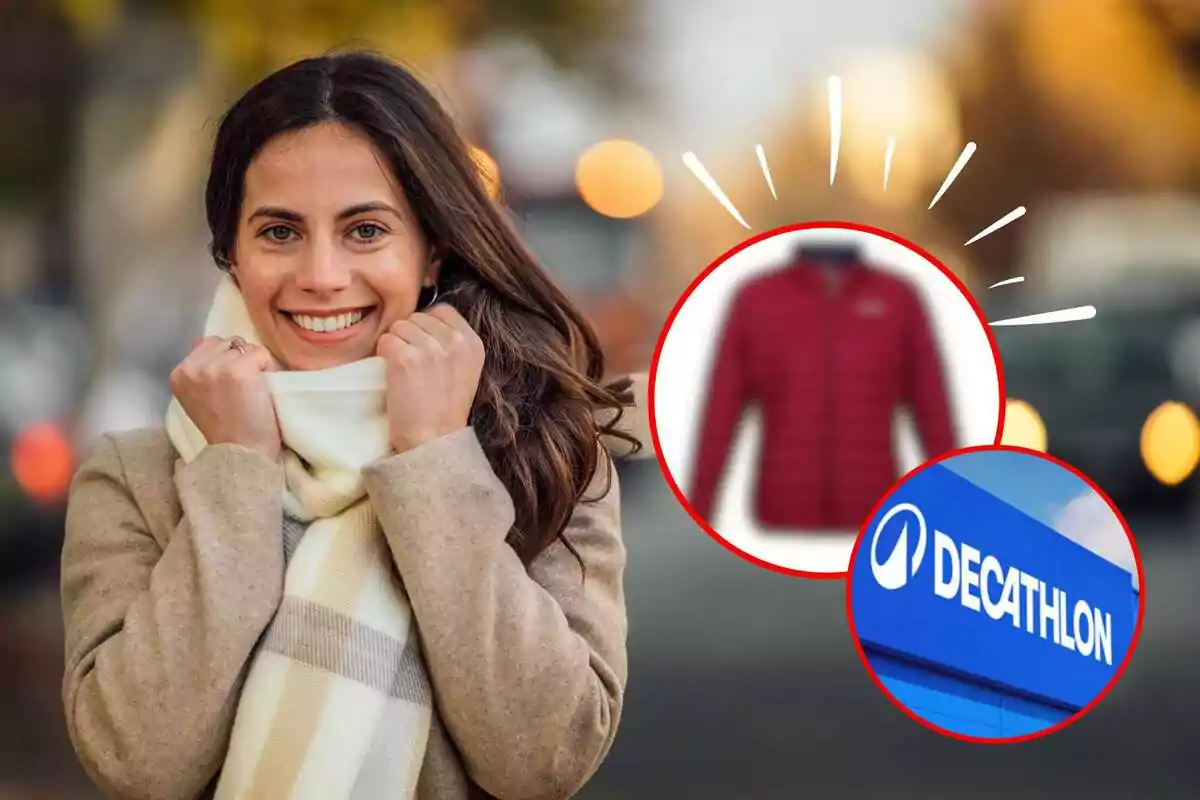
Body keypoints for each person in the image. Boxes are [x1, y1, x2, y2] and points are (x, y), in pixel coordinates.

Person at [60, 50, 637, 800]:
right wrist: (236, 473)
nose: (322, 275)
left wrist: (436, 459)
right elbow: (139, 763)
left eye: (365, 230)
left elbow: (542, 759)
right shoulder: (136, 478)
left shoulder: (546, 455)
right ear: (230, 254)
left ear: (431, 251)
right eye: (279, 232)